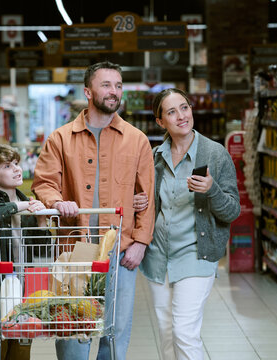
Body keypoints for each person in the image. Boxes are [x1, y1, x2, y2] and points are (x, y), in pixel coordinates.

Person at [31, 61, 155, 360]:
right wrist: (55, 201)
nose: (114, 92)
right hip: (75, 249)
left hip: (119, 250)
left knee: (115, 331)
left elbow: (147, 196)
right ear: (88, 91)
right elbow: (44, 183)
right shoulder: (60, 138)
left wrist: (140, 242)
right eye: (106, 85)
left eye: (118, 85)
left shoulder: (136, 140)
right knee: (72, 328)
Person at [135, 88, 240, 360]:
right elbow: (150, 203)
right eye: (171, 112)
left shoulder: (214, 154)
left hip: (196, 254)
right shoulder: (155, 157)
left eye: (184, 107)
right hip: (159, 256)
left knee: (184, 332)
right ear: (160, 122)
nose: (181, 116)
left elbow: (232, 211)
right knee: (167, 333)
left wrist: (212, 190)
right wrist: (139, 202)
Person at [0, 143, 49, 360]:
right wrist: (21, 208)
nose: (16, 169)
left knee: (21, 352)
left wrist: (41, 222)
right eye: (7, 166)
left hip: (23, 290)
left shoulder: (25, 200)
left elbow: (40, 245)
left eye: (16, 163)